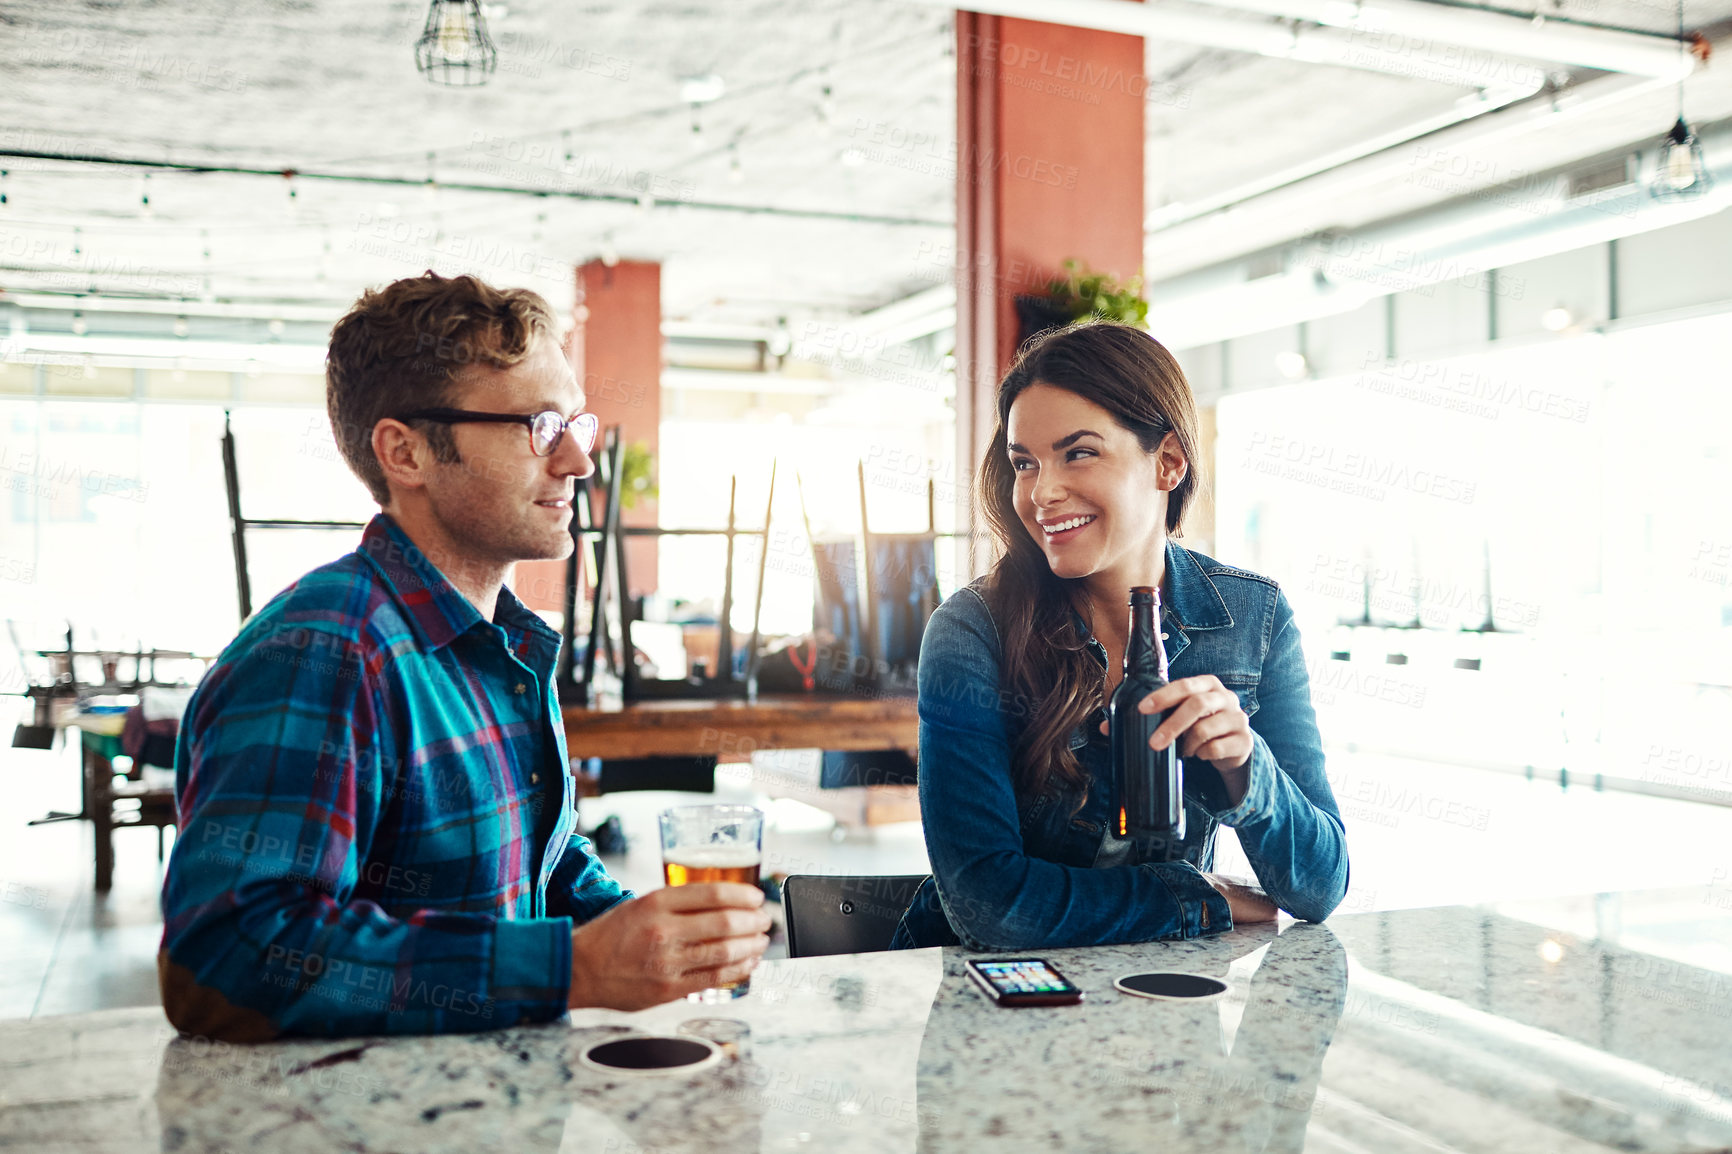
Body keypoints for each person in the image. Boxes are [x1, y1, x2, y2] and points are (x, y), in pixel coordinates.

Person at [158, 273, 770, 1040]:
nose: (580, 461)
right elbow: (225, 960)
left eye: (576, 422)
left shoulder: (504, 642)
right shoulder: (327, 652)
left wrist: (641, 936)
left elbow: (533, 861)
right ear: (406, 452)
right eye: (542, 426)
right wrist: (571, 968)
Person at [891, 322, 1349, 950]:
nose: (1043, 492)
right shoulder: (972, 631)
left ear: (1167, 461)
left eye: (1078, 452)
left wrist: (1247, 769)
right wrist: (1196, 897)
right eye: (1026, 463)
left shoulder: (1252, 616)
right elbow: (989, 906)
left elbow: (1320, 887)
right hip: (991, 1001)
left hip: (1162, 1004)